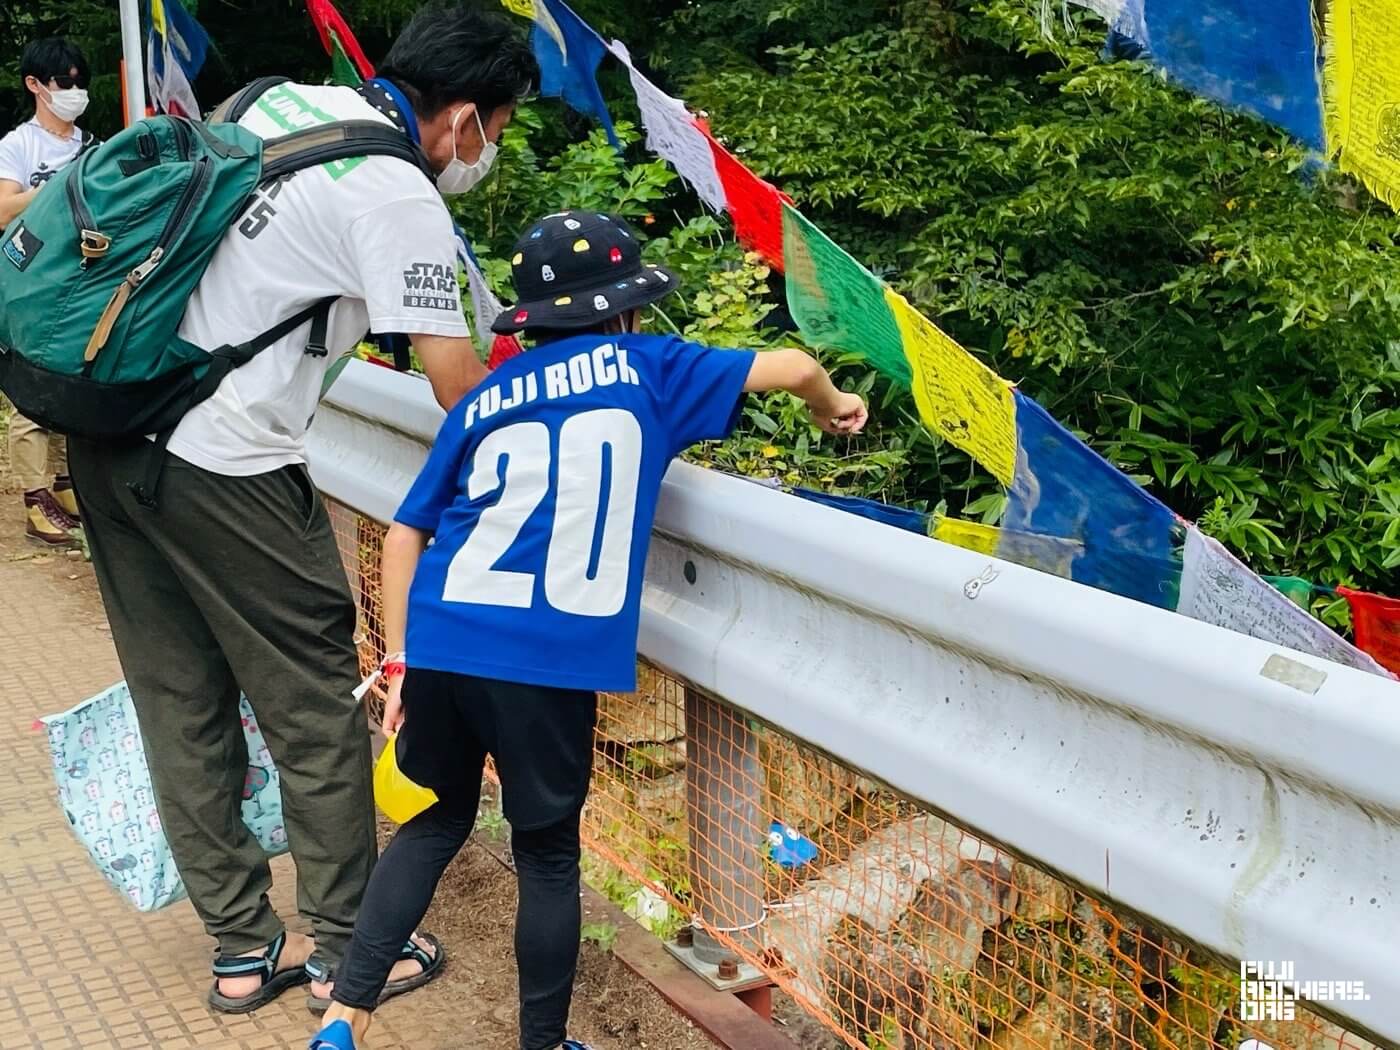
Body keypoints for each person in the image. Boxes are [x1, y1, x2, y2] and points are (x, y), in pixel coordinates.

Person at [64, 4, 537, 1014]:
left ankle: (240, 953)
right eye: (493, 131)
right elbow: (457, 381)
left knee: (178, 698)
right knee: (316, 705)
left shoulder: (275, 97)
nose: (485, 153)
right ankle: (348, 947)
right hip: (225, 465)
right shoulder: (395, 189)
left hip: (110, 435)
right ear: (458, 119)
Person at [309, 212, 868, 1050]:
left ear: (530, 321)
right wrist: (835, 405)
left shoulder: (485, 397)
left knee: (434, 822)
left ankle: (342, 1019)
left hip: (446, 640)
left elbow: (403, 532)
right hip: (547, 659)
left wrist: (398, 661)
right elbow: (791, 366)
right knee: (545, 856)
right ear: (624, 310)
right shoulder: (650, 368)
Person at [0, 38, 95, 545]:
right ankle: (35, 501)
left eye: (81, 83)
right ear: (35, 85)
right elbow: (2, 209)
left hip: (81, 283)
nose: (74, 92)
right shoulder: (18, 146)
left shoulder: (93, 146)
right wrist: (59, 190)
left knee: (70, 387)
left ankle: (63, 487)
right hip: (30, 284)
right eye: (64, 83)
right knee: (31, 393)